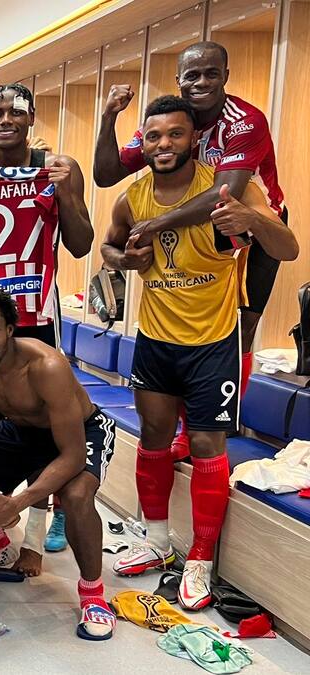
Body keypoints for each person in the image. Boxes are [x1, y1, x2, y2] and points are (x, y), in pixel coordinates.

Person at [101, 95, 296, 610]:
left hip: (213, 342)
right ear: (143, 143)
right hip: (155, 339)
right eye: (153, 136)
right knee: (154, 437)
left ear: (194, 139)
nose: (164, 144)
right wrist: (125, 260)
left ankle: (200, 560)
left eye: (175, 134)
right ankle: (156, 541)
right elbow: (108, 247)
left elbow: (289, 248)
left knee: (208, 445)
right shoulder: (132, 198)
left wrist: (252, 220)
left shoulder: (230, 189)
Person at [94, 41, 292, 456]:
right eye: (192, 75)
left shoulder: (245, 121)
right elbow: (107, 173)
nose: (201, 82)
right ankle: (188, 424)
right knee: (180, 303)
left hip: (248, 219)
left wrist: (156, 223)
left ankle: (210, 422)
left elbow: (226, 194)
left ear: (226, 76)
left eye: (211, 73)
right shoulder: (171, 121)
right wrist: (109, 115)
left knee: (241, 326)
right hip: (188, 219)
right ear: (179, 80)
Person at [0, 284, 118, 641]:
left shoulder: (46, 365)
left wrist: (15, 503)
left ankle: (92, 594)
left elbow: (72, 455)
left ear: (10, 330)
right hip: (19, 431)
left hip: (80, 433)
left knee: (77, 496)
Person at [0, 83, 94, 347]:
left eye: (16, 112)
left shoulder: (58, 168)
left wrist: (65, 196)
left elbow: (81, 247)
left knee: (41, 373)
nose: (6, 120)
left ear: (31, 117)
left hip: (38, 306)